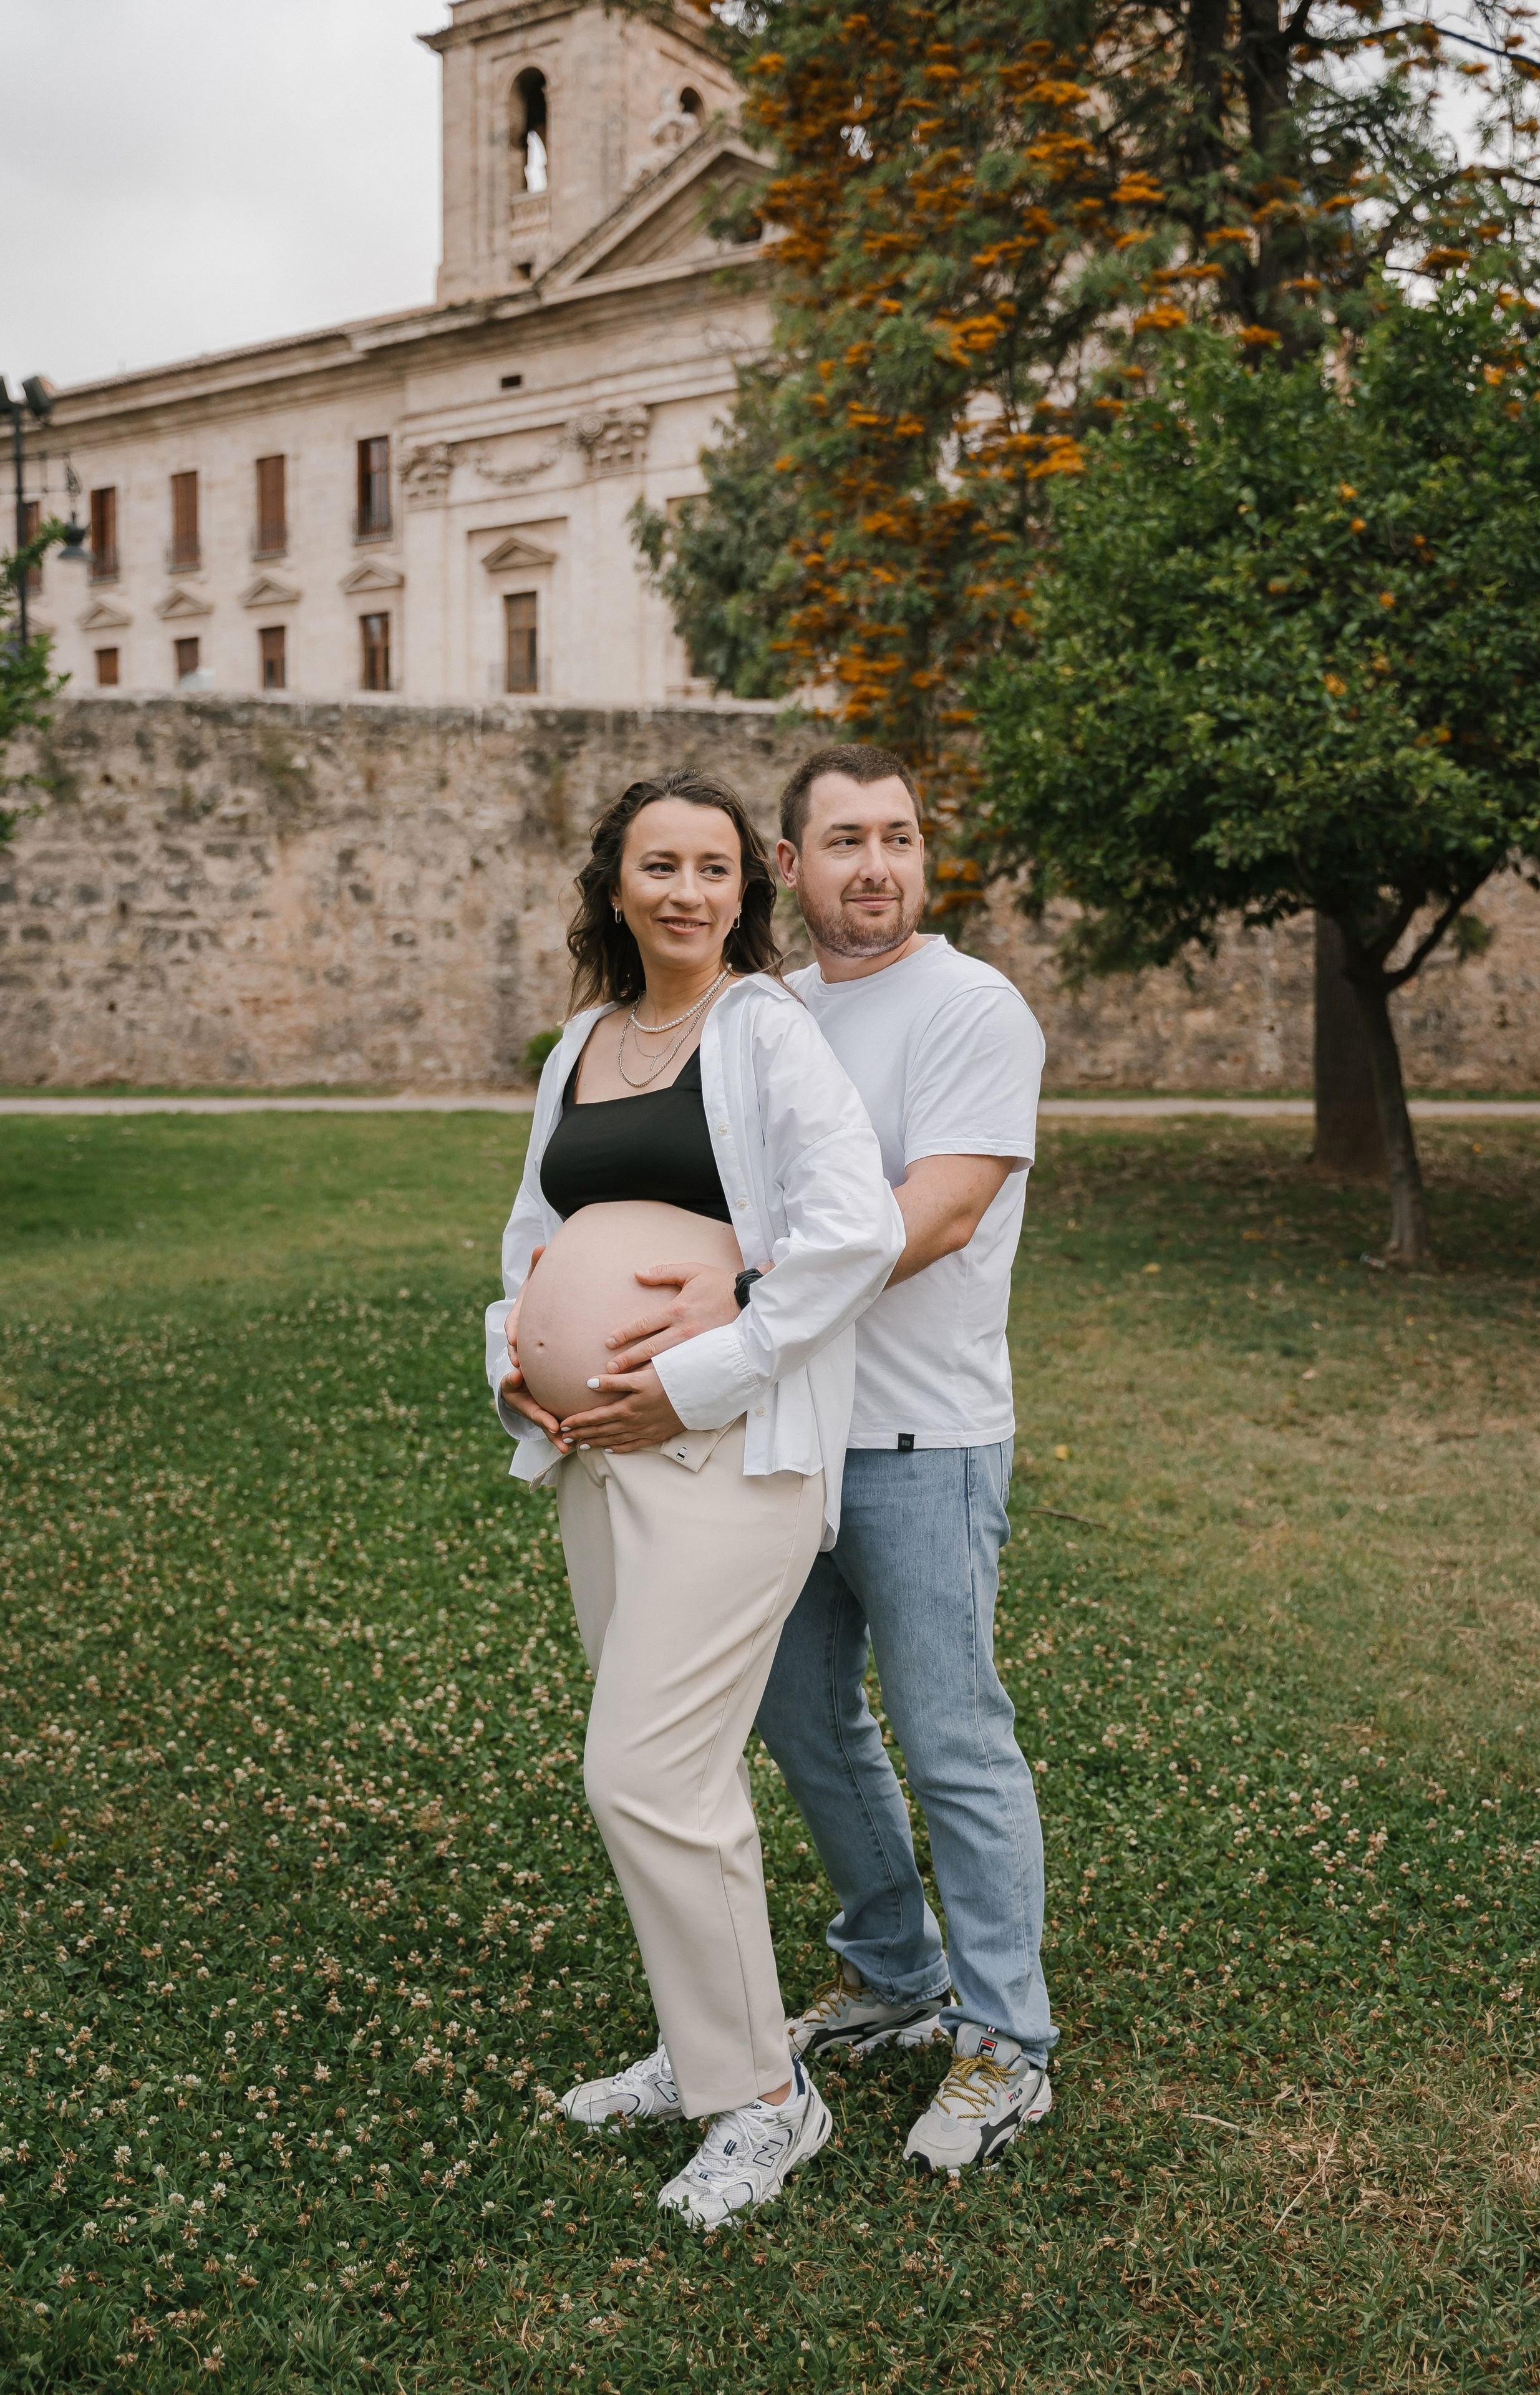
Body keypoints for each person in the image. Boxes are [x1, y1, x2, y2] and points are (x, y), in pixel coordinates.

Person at [604, 743, 1052, 2175]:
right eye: (844, 841)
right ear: (787, 868)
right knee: (803, 1725)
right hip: (778, 1432)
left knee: (950, 1739)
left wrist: (738, 1290)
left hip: (922, 1435)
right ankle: (894, 1974)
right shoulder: (764, 1011)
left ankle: (1006, 2042)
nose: (877, 866)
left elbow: (933, 1213)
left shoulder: (971, 1008)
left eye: (899, 837)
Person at [487, 768, 904, 2226]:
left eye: (713, 869)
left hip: (732, 1456)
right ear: (615, 886)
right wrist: (519, 1368)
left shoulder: (766, 1034)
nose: (686, 891)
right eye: (658, 866)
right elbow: (534, 1240)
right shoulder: (583, 1041)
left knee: (643, 1775)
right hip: (596, 1456)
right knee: (682, 1780)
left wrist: (702, 1369)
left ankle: (767, 2104)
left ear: (745, 890)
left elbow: (853, 1235)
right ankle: (702, 2042)